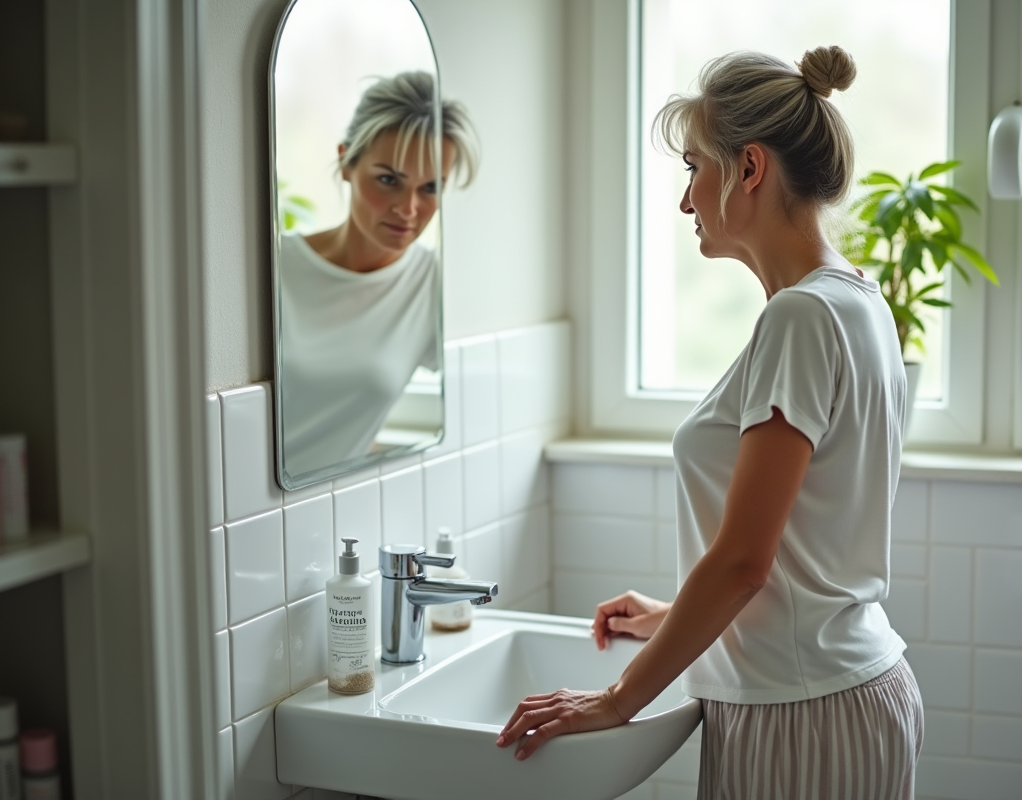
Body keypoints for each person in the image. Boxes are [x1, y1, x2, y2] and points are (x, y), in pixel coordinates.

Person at [495, 47, 924, 798]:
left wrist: (618, 698)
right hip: (845, 691)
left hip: (802, 717)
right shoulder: (858, 300)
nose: (686, 200)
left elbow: (742, 561)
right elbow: (802, 551)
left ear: (749, 169)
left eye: (694, 167)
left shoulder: (801, 317)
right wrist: (668, 617)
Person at [278, 71, 477, 477]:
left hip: (318, 508)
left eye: (430, 188)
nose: (408, 208)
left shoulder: (432, 285)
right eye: (388, 180)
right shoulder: (272, 267)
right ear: (346, 161)